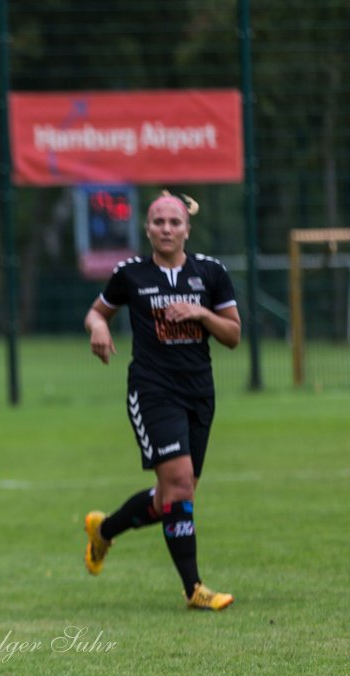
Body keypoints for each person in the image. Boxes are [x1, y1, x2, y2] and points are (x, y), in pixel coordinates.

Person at [82, 191, 240, 611]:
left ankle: (105, 530)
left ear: (187, 228)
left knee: (169, 497)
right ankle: (194, 589)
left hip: (199, 393)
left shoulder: (210, 273)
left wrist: (202, 314)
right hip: (152, 390)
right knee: (180, 485)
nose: (166, 229)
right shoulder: (130, 274)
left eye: (174, 222)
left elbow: (233, 336)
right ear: (147, 229)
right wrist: (98, 327)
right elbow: (97, 313)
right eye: (158, 222)